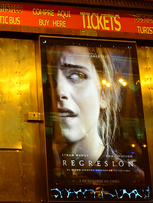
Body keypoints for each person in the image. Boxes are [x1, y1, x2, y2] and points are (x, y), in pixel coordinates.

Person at [46, 44, 142, 179]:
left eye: (76, 76)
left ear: (104, 94)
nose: (59, 91)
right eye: (54, 78)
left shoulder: (131, 178)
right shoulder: (47, 167)